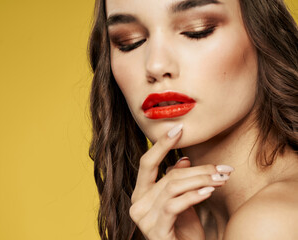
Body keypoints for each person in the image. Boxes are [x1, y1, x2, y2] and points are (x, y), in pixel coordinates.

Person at [88, 0, 298, 239]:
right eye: (129, 42)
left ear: (265, 34)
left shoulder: (273, 222)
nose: (155, 66)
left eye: (197, 30)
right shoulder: (176, 219)